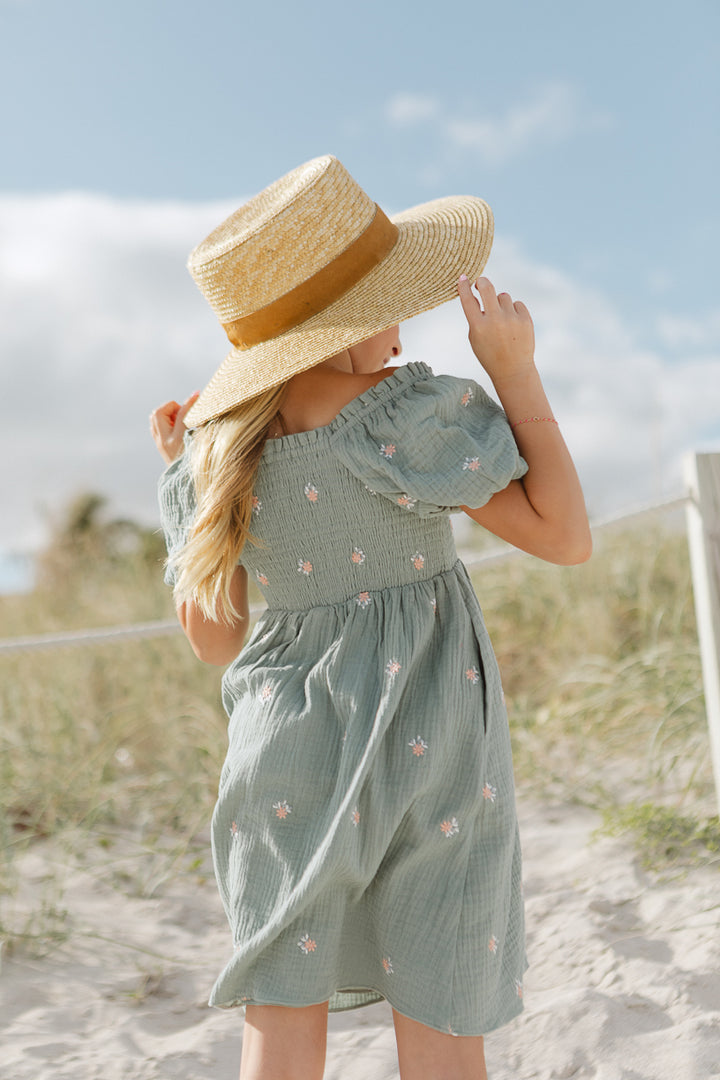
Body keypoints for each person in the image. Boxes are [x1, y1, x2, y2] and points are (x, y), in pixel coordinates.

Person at [150, 155, 591, 1080]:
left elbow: (216, 642)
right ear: (336, 326)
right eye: (387, 306)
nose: (398, 333)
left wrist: (176, 480)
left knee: (281, 1012)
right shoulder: (405, 415)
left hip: (282, 749)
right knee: (440, 1006)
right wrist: (515, 372)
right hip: (433, 745)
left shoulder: (212, 455)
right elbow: (564, 536)